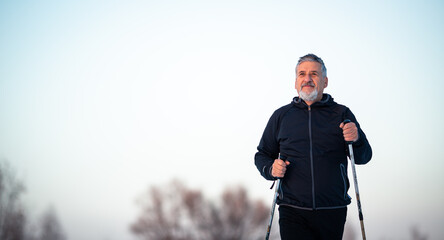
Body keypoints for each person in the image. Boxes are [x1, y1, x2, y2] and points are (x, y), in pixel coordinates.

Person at [255, 53, 372, 240]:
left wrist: (356, 139)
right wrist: (271, 168)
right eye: (302, 74)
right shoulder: (281, 116)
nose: (307, 79)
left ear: (325, 82)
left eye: (314, 74)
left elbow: (364, 156)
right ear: (295, 82)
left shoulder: (342, 114)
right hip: (292, 209)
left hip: (332, 209)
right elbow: (262, 155)